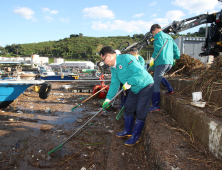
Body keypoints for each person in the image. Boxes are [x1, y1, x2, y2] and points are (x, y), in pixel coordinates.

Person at [100, 46, 154, 146]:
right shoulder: (113, 67)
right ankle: (128, 131)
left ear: (109, 56)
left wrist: (129, 82)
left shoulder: (126, 58)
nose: (104, 63)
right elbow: (114, 83)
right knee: (128, 108)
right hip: (134, 88)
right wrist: (108, 99)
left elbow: (139, 72)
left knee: (140, 110)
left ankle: (135, 137)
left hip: (145, 85)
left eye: (103, 59)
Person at [148, 24, 180, 112]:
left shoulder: (158, 35)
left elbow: (158, 49)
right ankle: (170, 89)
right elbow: (176, 49)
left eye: (153, 33)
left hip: (162, 61)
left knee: (156, 83)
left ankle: (155, 105)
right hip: (169, 62)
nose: (153, 35)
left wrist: (152, 58)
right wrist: (175, 58)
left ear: (156, 29)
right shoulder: (169, 37)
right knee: (159, 76)